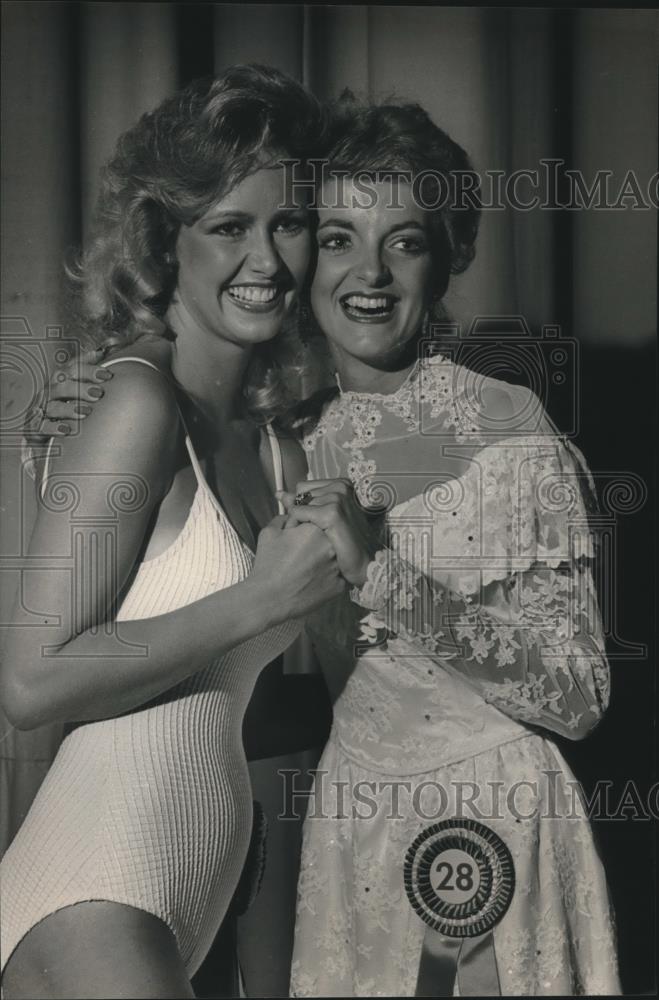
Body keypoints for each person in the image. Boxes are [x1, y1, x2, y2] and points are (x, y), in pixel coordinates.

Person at [31, 94, 622, 996]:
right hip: (343, 830)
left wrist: (381, 573)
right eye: (338, 237)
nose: (370, 273)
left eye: (406, 241)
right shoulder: (294, 428)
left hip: (477, 824)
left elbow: (577, 693)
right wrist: (66, 421)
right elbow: (276, 680)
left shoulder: (503, 427)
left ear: (448, 255)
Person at [0, 65, 344, 1000]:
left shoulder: (278, 451)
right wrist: (262, 600)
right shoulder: (134, 399)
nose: (267, 260)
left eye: (290, 223)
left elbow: (231, 705)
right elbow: (30, 682)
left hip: (187, 902)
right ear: (165, 242)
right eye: (228, 226)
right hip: (93, 892)